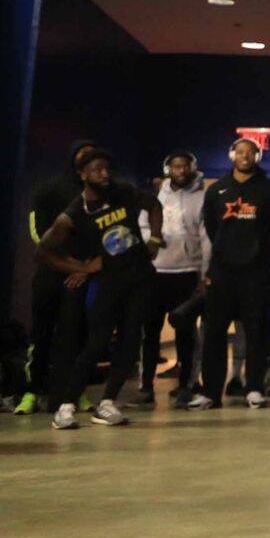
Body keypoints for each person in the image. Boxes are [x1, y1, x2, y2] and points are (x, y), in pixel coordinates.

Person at [37, 149, 165, 428]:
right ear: (83, 175)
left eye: (107, 168)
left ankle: (106, 403)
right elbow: (44, 251)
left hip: (140, 276)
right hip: (110, 281)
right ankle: (66, 406)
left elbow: (155, 205)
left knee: (130, 342)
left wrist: (154, 238)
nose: (105, 174)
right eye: (97, 170)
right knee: (97, 342)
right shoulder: (73, 213)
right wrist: (80, 268)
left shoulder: (123, 192)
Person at [190, 137, 270, 410]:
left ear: (257, 156)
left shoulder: (269, 190)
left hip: (255, 272)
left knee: (255, 331)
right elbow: (211, 227)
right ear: (232, 155)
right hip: (222, 272)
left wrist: (253, 247)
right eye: (241, 151)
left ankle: (254, 388)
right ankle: (211, 392)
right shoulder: (218, 190)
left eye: (251, 152)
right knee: (214, 332)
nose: (245, 156)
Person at [18, 138, 98, 415]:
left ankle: (73, 394)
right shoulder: (49, 189)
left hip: (80, 277)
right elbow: (38, 233)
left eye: (92, 155)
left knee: (75, 337)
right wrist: (66, 264)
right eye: (82, 154)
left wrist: (85, 268)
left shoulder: (100, 195)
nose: (87, 159)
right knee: (41, 334)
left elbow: (105, 237)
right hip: (51, 274)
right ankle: (31, 391)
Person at [144, 150, 208, 409]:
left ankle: (186, 386)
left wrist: (205, 273)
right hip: (157, 273)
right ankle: (145, 387)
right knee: (149, 333)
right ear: (168, 169)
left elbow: (207, 237)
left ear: (192, 168)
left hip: (187, 272)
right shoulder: (155, 196)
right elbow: (143, 226)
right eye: (175, 167)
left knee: (185, 335)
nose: (180, 171)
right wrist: (154, 242)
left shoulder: (202, 198)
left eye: (184, 167)